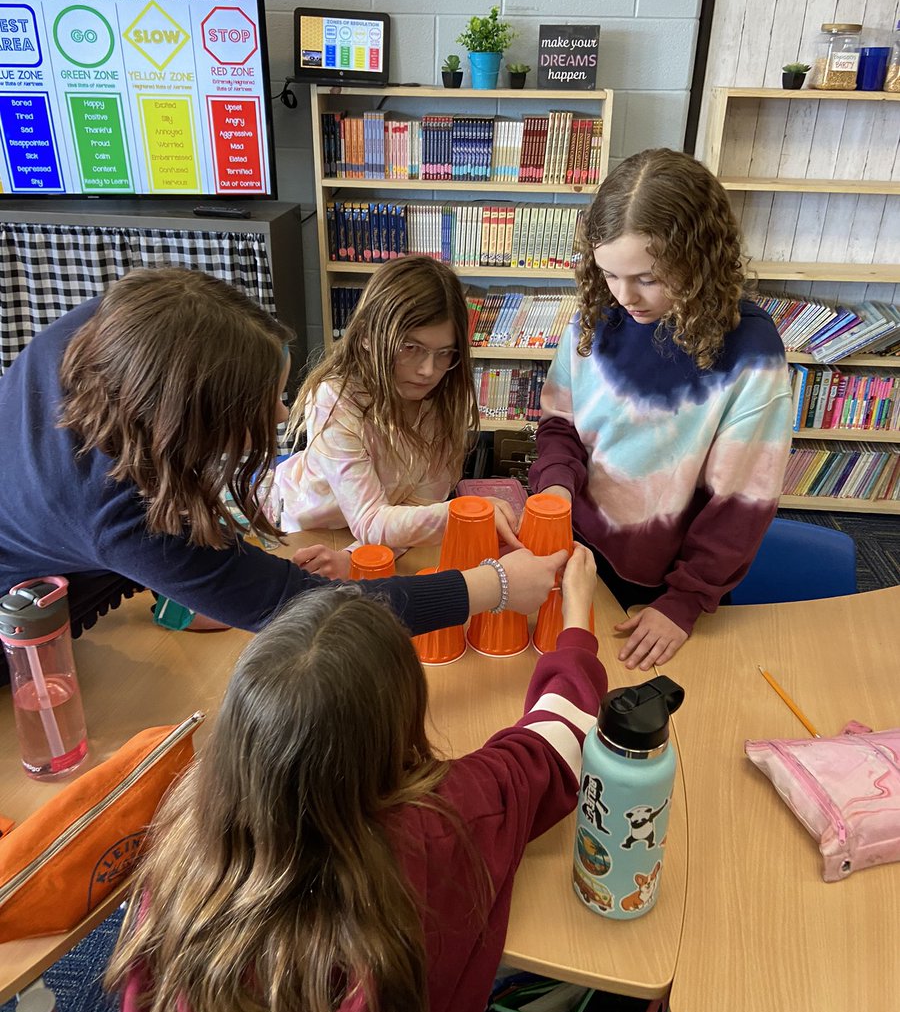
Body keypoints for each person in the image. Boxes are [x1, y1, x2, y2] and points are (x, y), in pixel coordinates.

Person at [106, 544, 606, 1012]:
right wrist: (576, 627)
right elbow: (554, 745)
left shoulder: (184, 832)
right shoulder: (433, 829)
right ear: (401, 719)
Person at [0, 268, 566, 684]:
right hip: (20, 633)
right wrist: (495, 587)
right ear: (191, 419)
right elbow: (310, 610)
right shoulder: (116, 513)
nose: (280, 414)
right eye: (260, 402)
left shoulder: (112, 323)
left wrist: (196, 579)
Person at [530, 148, 793, 672]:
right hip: (579, 550)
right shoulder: (598, 314)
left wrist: (686, 600)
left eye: (647, 278)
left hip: (671, 586)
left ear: (699, 258)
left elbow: (741, 502)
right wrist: (555, 486)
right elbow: (560, 423)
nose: (624, 296)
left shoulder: (750, 354)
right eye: (609, 273)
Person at [271, 256, 521, 580]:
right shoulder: (335, 399)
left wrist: (357, 557)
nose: (428, 370)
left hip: (374, 534)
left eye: (444, 353)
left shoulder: (443, 401)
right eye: (410, 347)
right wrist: (461, 513)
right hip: (307, 529)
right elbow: (372, 520)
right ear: (366, 335)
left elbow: (418, 510)